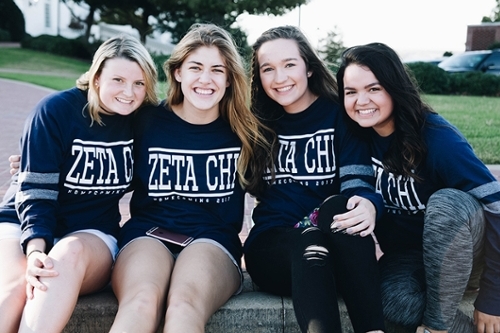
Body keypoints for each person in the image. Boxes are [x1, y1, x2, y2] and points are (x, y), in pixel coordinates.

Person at [108, 23, 271, 333]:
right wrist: (38, 160)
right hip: (148, 234)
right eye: (195, 67)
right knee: (142, 300)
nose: (205, 79)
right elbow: (102, 157)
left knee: (184, 303)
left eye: (217, 70)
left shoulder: (244, 131)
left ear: (228, 80)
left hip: (212, 240)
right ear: (178, 72)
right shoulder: (146, 121)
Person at [336, 42, 500, 333]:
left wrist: (492, 295)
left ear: (395, 88)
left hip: (465, 254)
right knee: (389, 302)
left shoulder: (437, 138)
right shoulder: (357, 136)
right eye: (351, 92)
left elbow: (496, 207)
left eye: (374, 89)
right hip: (410, 257)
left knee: (446, 203)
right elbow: (356, 188)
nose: (361, 101)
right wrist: (366, 202)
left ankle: (437, 326)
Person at [0, 34, 159, 333]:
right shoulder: (56, 111)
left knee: (67, 255)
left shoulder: (144, 121)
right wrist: (35, 248)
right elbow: (37, 191)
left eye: (139, 83)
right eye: (118, 80)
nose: (129, 92)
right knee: (17, 288)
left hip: (91, 231)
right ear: (97, 77)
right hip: (22, 221)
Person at [243, 25, 386, 333]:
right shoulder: (255, 122)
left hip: (336, 247)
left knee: (341, 206)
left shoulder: (339, 114)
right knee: (308, 238)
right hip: (274, 251)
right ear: (259, 76)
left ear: (308, 67)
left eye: (289, 65)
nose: (280, 78)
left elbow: (357, 184)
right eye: (268, 69)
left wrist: (369, 207)